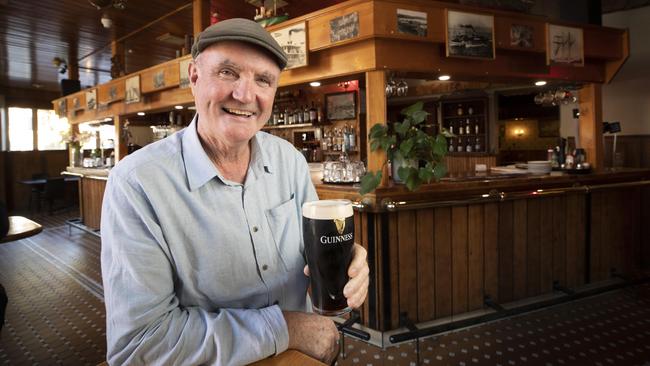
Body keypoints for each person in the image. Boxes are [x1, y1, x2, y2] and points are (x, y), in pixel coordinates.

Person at [101, 18, 369, 365]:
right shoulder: (136, 184)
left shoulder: (289, 160)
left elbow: (312, 257)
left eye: (263, 80)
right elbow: (139, 344)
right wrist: (286, 328)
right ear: (194, 77)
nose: (245, 95)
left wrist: (348, 265)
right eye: (228, 72)